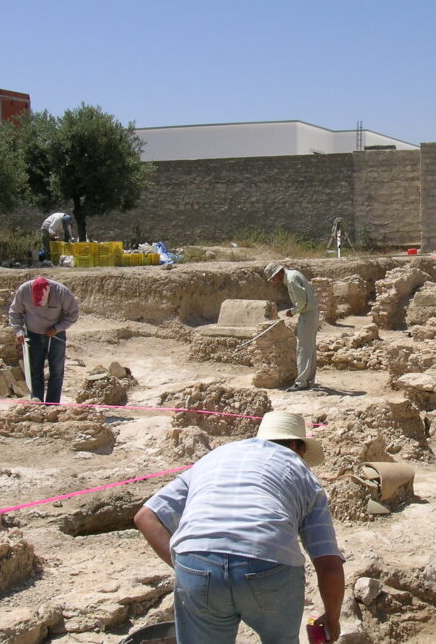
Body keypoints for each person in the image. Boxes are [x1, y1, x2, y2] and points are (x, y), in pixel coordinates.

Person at [134, 410, 345, 644]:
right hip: (269, 563)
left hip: (197, 560)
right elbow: (329, 565)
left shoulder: (216, 457)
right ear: (298, 447)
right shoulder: (303, 475)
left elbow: (146, 517)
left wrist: (189, 568)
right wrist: (333, 619)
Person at [8, 276, 79, 403]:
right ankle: (37, 402)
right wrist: (18, 330)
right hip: (33, 335)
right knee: (35, 371)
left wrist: (57, 328)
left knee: (56, 371)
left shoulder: (61, 292)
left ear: (49, 291)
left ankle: (52, 404)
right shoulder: (24, 290)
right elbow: (14, 312)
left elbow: (73, 314)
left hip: (56, 336)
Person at [265, 262, 319, 391]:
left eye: (273, 277)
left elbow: (301, 302)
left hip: (307, 313)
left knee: (303, 347)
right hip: (311, 312)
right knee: (309, 347)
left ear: (278, 273)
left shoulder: (291, 278)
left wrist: (292, 312)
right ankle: (308, 380)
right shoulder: (293, 274)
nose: (273, 280)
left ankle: (301, 382)